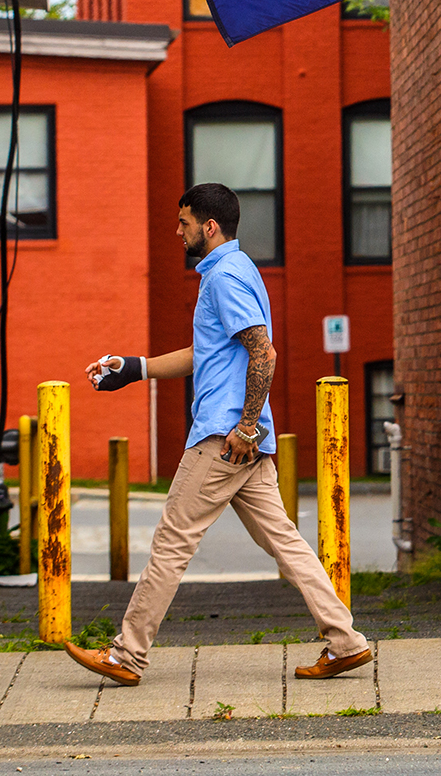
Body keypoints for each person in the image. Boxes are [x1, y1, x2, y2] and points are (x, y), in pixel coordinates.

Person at [63, 183, 371, 687]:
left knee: (170, 542)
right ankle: (346, 642)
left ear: (208, 226)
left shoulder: (225, 277)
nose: (176, 231)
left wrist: (245, 425)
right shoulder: (236, 271)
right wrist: (134, 367)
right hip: (242, 439)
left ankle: (126, 655)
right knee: (286, 541)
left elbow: (263, 353)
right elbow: (205, 354)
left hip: (224, 438)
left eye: (183, 223)